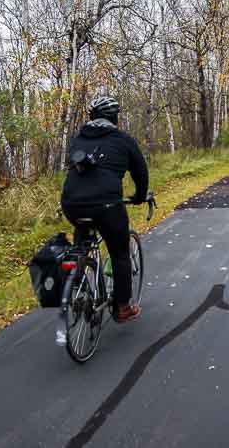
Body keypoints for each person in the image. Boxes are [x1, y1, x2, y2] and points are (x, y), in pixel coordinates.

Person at [60, 95, 149, 323]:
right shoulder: (123, 140)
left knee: (83, 242)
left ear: (92, 117)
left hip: (72, 204)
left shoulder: (77, 139)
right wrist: (139, 197)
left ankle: (79, 280)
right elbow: (140, 173)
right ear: (114, 117)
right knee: (120, 253)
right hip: (107, 206)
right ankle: (122, 308)